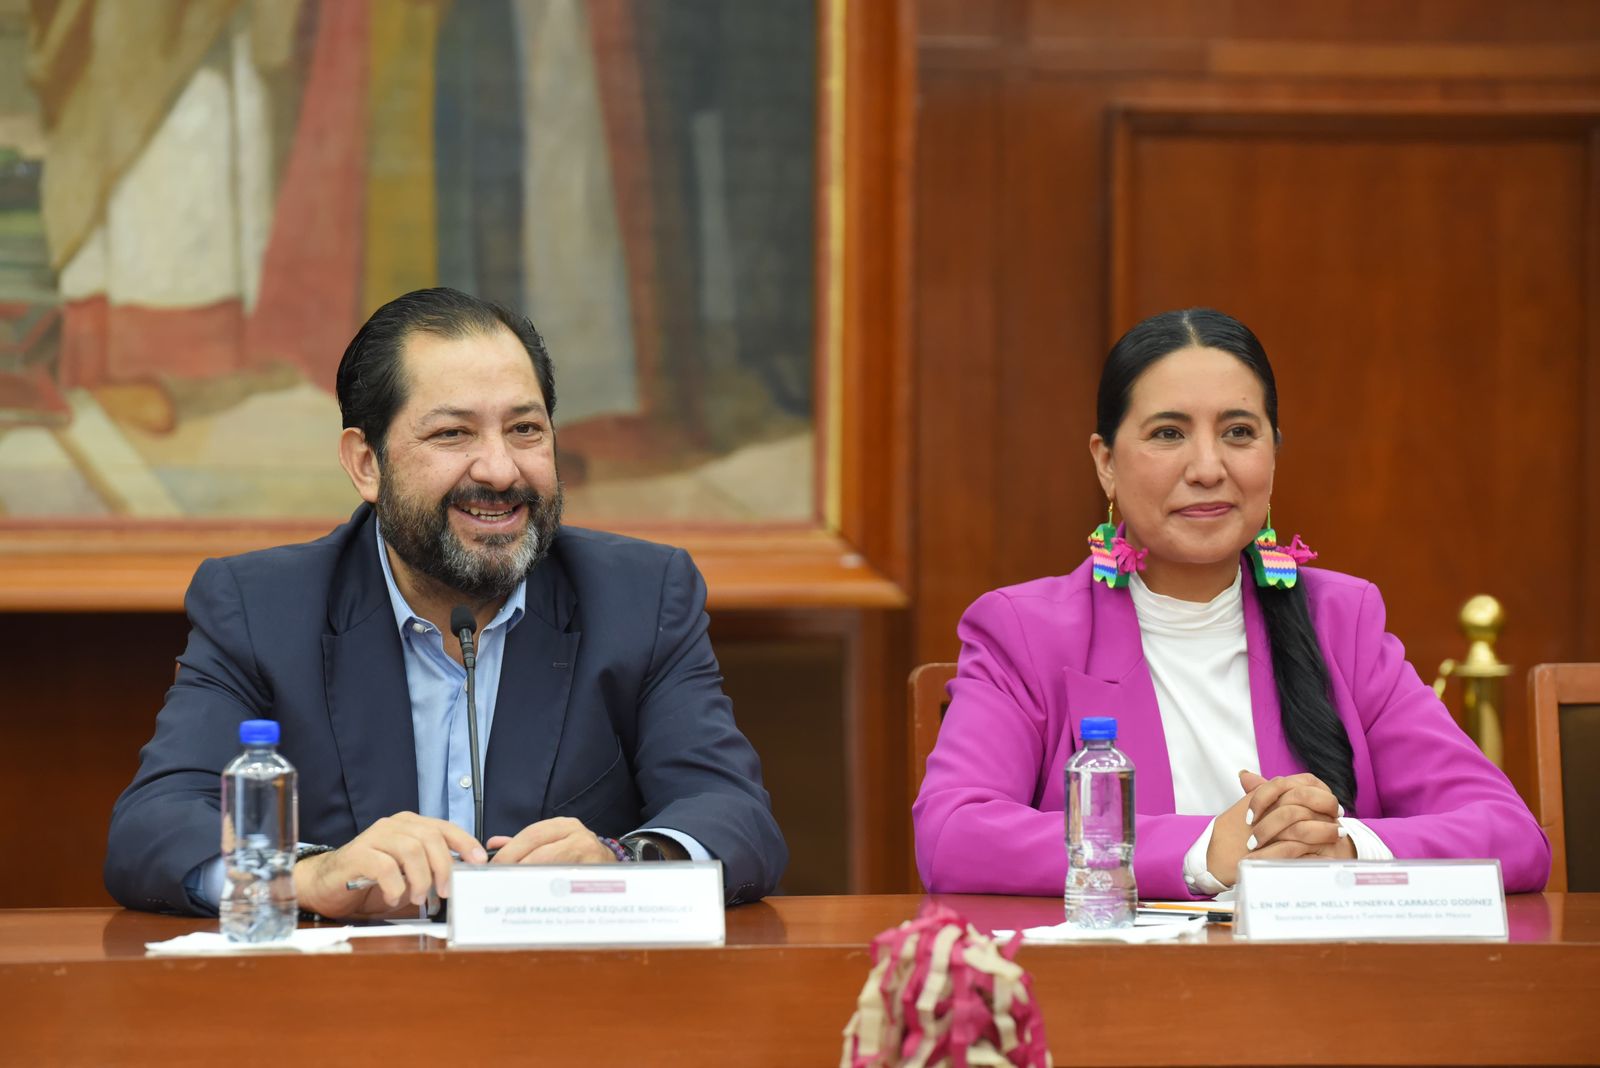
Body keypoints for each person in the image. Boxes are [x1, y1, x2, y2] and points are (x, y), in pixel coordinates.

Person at [106, 287, 787, 918]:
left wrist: (623, 862)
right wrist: (308, 876)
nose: (500, 470)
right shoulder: (263, 607)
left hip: (565, 995)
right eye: (453, 434)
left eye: (525, 429)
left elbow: (735, 817)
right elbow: (154, 827)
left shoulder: (641, 596)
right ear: (366, 463)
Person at [913, 308, 1549, 899]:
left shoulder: (1342, 622)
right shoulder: (1025, 631)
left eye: (1239, 432)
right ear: (1106, 462)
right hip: (1117, 979)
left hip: (1317, 976)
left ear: (1273, 453)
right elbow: (952, 836)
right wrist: (1204, 852)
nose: (1208, 468)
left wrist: (1347, 848)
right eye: (1168, 433)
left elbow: (1512, 835)